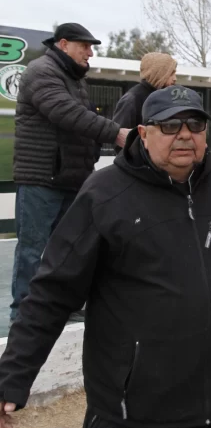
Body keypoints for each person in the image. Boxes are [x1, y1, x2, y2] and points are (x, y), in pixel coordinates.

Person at [0, 85, 211, 428]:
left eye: (195, 125)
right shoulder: (104, 195)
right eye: (170, 126)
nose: (185, 135)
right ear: (143, 134)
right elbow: (51, 293)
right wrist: (11, 377)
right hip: (131, 409)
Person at [11, 23, 130, 324]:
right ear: (63, 44)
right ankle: (24, 313)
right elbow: (68, 114)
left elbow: (83, 119)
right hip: (42, 178)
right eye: (85, 46)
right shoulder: (41, 72)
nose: (90, 53)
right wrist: (117, 134)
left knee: (67, 249)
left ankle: (63, 303)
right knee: (32, 250)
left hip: (69, 178)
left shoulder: (74, 78)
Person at [112, 52, 177, 132]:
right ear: (158, 73)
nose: (175, 78)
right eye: (171, 73)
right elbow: (120, 138)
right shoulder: (132, 100)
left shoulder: (166, 97)